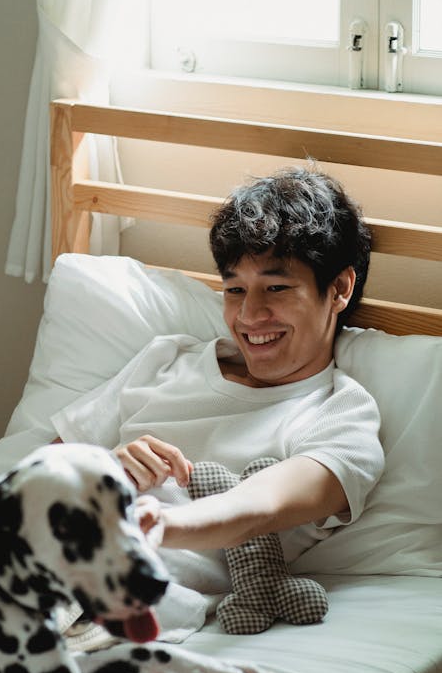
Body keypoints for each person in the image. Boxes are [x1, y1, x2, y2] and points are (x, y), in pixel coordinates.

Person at [51, 165, 384, 568]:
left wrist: (151, 525)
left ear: (339, 289)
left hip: (112, 579)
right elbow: (37, 472)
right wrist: (102, 469)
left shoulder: (341, 415)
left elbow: (259, 507)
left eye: (276, 288)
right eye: (234, 290)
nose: (249, 314)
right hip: (34, 538)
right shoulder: (168, 359)